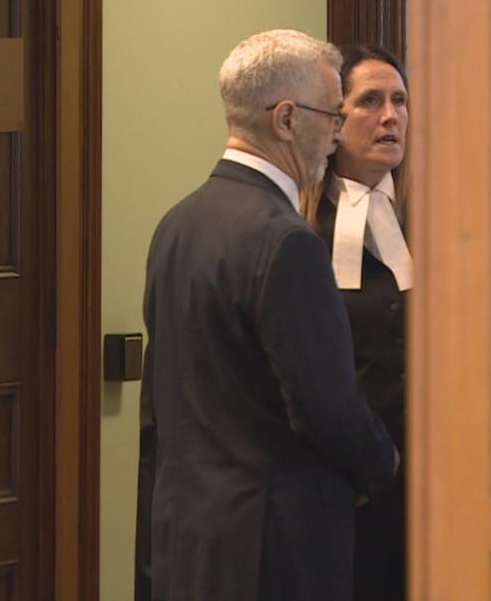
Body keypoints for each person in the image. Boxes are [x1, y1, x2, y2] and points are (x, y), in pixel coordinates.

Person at [134, 29, 399, 601]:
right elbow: (324, 408)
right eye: (332, 116)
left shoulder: (178, 223)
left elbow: (163, 401)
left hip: (189, 538)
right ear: (286, 118)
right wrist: (385, 466)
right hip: (271, 547)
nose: (334, 136)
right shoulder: (287, 241)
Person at [301, 44, 412, 601]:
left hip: (430, 481)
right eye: (370, 100)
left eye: (399, 100)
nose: (390, 116)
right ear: (334, 120)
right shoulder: (299, 232)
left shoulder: (439, 218)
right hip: (343, 482)